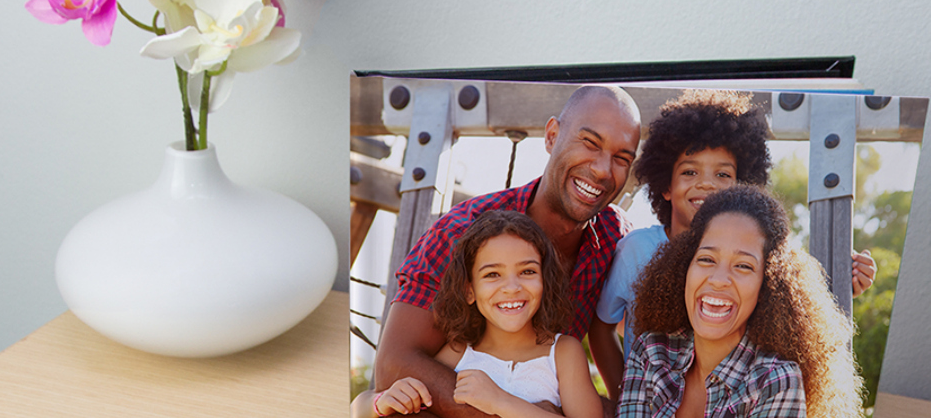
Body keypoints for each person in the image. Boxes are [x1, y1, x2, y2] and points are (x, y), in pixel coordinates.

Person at [374, 85, 641, 417]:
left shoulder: (616, 240)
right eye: (590, 143)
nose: (602, 169)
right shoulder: (463, 232)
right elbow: (393, 366)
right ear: (552, 135)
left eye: (621, 158)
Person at [590, 90, 876, 398]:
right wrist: (625, 396)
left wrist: (838, 280)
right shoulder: (636, 250)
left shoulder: (761, 257)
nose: (706, 183)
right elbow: (601, 326)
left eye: (723, 174)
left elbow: (793, 315)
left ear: (743, 186)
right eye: (689, 171)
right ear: (666, 185)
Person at [618, 185, 864, 418]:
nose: (719, 279)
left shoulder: (775, 380)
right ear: (684, 267)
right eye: (706, 259)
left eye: (743, 266)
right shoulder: (651, 353)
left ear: (768, 285)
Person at [353, 211, 603, 418]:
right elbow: (357, 408)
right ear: (469, 290)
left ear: (545, 281)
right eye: (493, 274)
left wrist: (501, 402)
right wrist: (381, 402)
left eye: (527, 271)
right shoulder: (460, 351)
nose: (512, 287)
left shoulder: (562, 352)